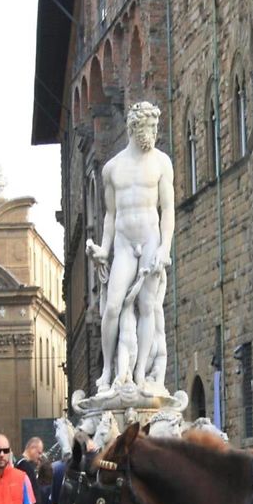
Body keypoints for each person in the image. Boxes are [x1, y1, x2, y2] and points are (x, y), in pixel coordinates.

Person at [86, 101, 175, 395]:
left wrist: (165, 247)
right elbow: (110, 215)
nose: (151, 134)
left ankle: (140, 375)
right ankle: (109, 370)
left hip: (150, 238)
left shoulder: (162, 163)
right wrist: (104, 248)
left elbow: (168, 210)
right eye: (146, 129)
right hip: (124, 243)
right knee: (112, 307)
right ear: (132, 129)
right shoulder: (112, 169)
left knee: (148, 305)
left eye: (154, 128)